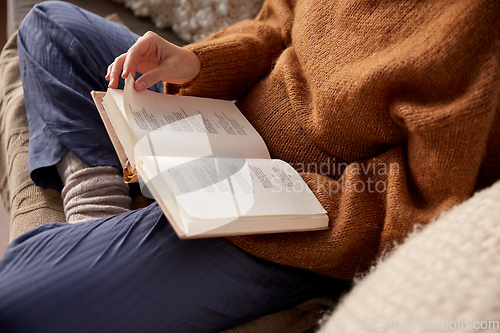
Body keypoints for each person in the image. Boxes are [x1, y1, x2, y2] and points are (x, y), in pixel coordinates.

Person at [1, 0, 499, 331]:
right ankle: (104, 215)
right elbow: (277, 25)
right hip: (231, 121)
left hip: (294, 227)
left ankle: (113, 237)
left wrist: (271, 191)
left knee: (15, 296)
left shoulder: (477, 28)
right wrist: (197, 62)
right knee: (48, 26)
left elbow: (423, 210)